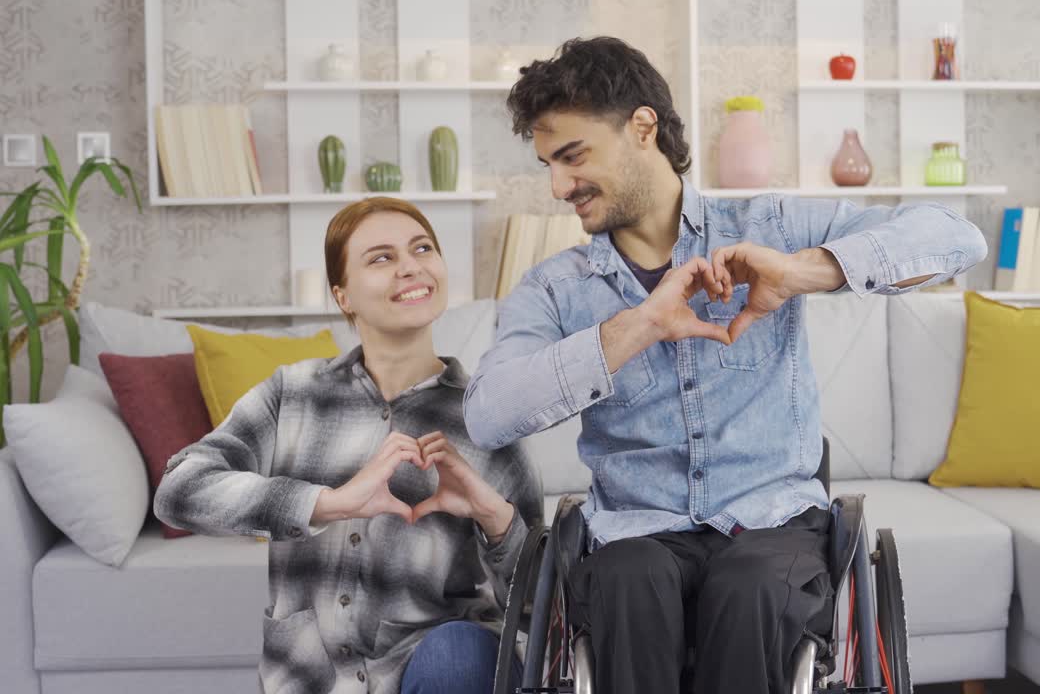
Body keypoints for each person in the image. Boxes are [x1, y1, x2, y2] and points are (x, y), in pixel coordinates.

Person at [463, 37, 988, 694]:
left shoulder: (769, 223)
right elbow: (487, 415)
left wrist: (804, 271)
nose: (558, 186)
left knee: (752, 586)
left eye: (572, 156)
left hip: (773, 523)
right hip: (636, 531)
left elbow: (957, 238)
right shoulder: (554, 288)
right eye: (548, 164)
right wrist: (640, 325)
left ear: (642, 127)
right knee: (630, 581)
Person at [155, 197, 541, 694]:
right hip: (309, 679)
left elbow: (540, 615)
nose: (410, 266)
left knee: (459, 656)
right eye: (381, 258)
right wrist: (326, 503)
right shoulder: (291, 394)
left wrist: (498, 523)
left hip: (433, 672)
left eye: (422, 248)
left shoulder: (486, 418)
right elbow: (178, 489)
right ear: (344, 297)